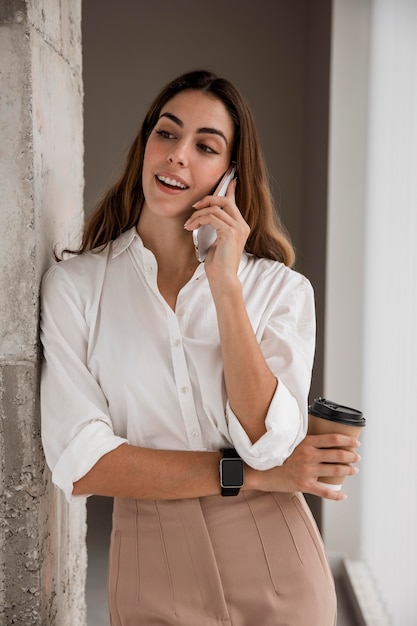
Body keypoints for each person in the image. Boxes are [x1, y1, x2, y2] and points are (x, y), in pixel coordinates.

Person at [40, 70, 360, 626]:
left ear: (231, 176)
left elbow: (266, 442)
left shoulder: (279, 290)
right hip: (149, 564)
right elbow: (81, 463)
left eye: (205, 146)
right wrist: (253, 477)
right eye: (167, 134)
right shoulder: (77, 288)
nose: (178, 156)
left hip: (276, 556)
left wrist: (226, 287)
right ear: (145, 144)